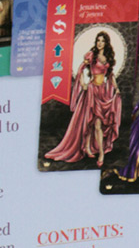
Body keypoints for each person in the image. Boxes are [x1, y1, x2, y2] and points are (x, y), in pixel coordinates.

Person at [44, 31, 121, 166]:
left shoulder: (107, 57)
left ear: (106, 43)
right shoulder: (91, 55)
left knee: (95, 122)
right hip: (91, 91)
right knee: (92, 122)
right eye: (98, 40)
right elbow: (81, 69)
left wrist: (116, 87)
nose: (100, 43)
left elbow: (110, 75)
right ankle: (100, 153)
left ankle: (89, 148)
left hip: (102, 92)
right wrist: (83, 83)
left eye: (102, 41)